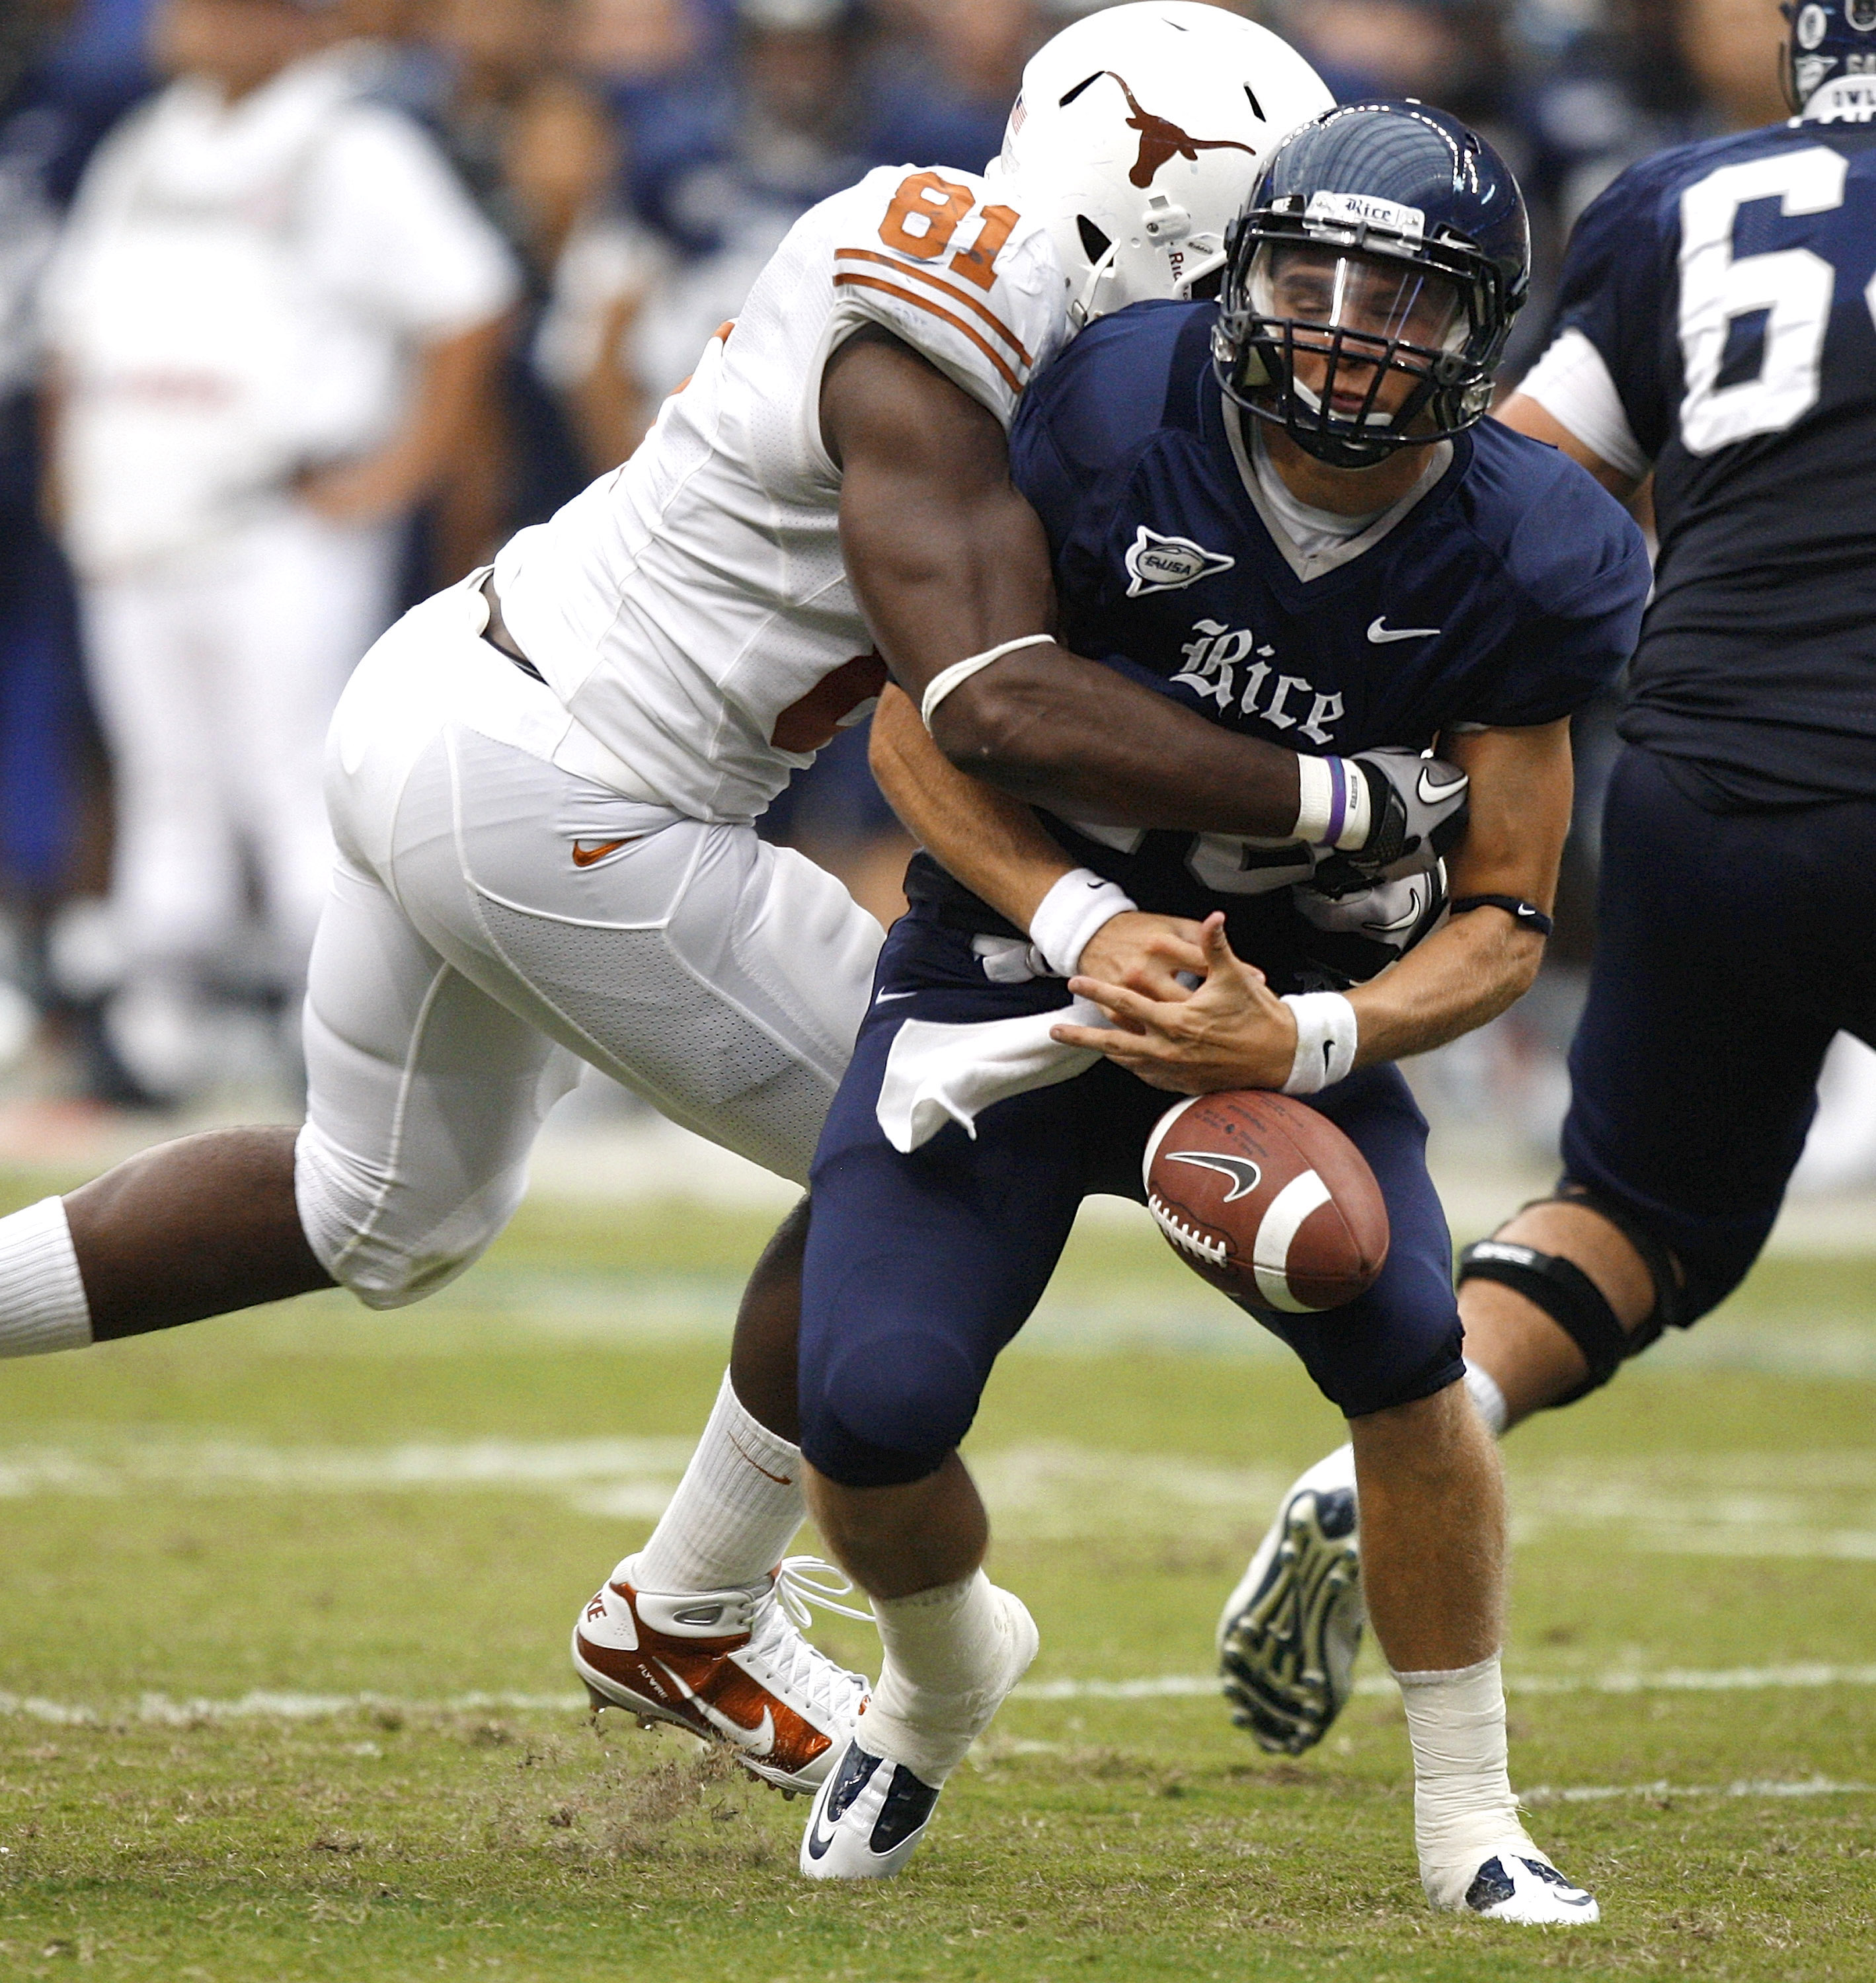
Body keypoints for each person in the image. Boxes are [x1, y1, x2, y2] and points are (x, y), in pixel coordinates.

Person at [0, 2, 1348, 1803]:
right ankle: (694, 1607)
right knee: (949, 1146)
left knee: (374, 1209)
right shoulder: (945, 326)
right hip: (572, 794)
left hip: (456, 707)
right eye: (1266, 254)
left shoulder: (999, 267)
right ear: (1161, 219)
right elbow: (986, 699)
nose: (1288, 307)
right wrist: (1335, 791)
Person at [786, 99, 1650, 1920]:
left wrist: (1304, 1047)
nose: (1340, 325)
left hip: (1295, 996)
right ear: (1236, 275)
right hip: (1013, 976)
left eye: (1395, 300)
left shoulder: (1531, 547)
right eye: (1309, 275)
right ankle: (942, 1676)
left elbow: (1501, 913)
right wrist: (1080, 912)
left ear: (1475, 334)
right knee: (860, 1405)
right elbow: (909, 721)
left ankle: (1466, 1819)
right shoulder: (1108, 413)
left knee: (1406, 1344)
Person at [1218, 0, 1876, 1779]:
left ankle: (1422, 1424)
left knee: (1642, 1213)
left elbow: (1509, 484)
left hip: (1698, 774)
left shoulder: (1685, 202)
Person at [40, 0, 518, 1101]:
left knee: (292, 778)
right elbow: (77, 325)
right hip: (141, 518)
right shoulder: (151, 140)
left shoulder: (348, 140)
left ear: (290, 22)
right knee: (169, 784)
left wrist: (397, 472)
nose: (190, 23)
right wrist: (75, 466)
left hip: (277, 517)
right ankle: (163, 1041)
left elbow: (469, 307)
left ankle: (350, 1050)